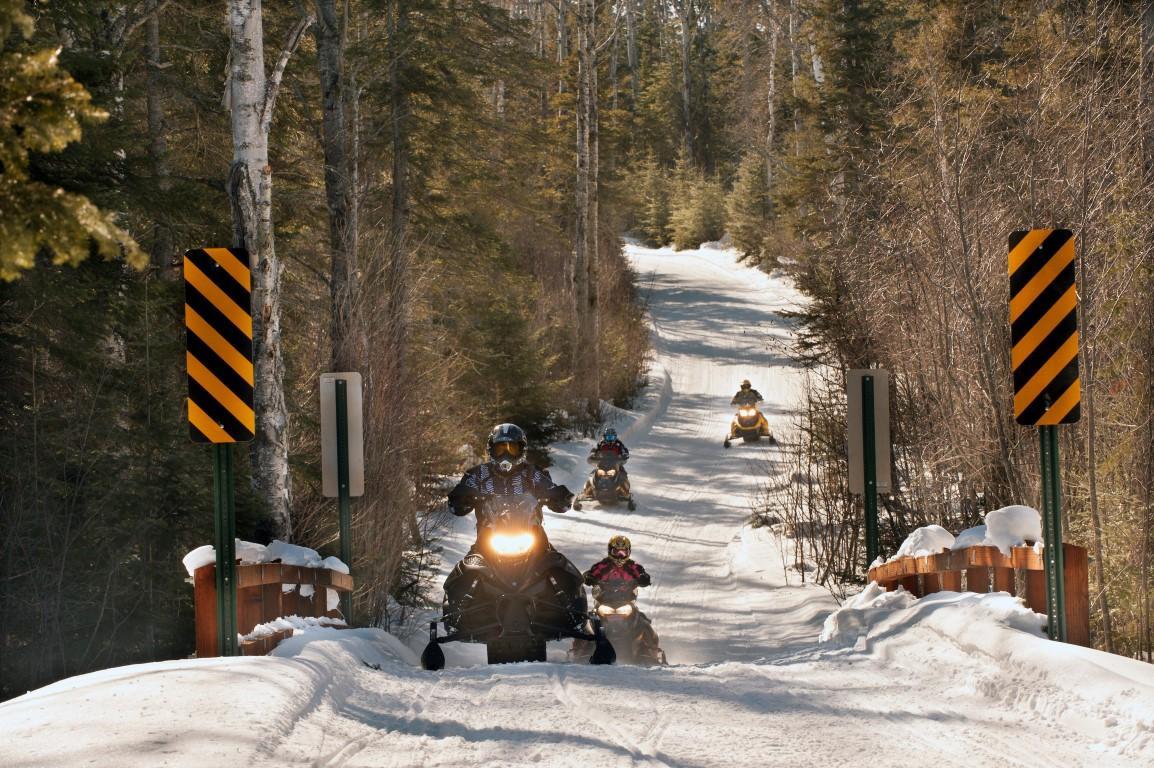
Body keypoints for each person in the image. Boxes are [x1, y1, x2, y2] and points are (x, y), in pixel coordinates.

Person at [442, 423, 580, 635]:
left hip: (531, 534)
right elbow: (458, 501)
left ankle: (577, 616)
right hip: (490, 536)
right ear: (491, 451)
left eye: (511, 448)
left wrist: (558, 496)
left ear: (521, 450)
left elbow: (552, 491)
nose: (506, 454)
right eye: (500, 449)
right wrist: (461, 496)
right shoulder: (477, 474)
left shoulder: (533, 474)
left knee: (560, 567)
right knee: (465, 571)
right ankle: (455, 619)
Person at [576, 535, 663, 663]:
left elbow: (642, 573)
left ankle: (650, 653)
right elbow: (590, 573)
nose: (620, 556)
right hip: (604, 601)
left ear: (629, 552)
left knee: (643, 623)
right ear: (610, 551)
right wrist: (588, 577)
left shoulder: (632, 566)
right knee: (586, 623)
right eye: (616, 552)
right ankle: (580, 651)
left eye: (624, 552)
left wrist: (643, 578)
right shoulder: (603, 565)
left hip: (626, 602)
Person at [578, 427, 632, 503]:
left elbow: (624, 450)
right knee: (592, 475)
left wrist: (624, 455)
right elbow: (595, 450)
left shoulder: (619, 444)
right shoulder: (601, 443)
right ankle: (587, 492)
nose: (610, 439)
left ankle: (625, 493)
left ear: (615, 437)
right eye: (608, 437)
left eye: (612, 437)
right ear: (605, 436)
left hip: (616, 463)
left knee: (623, 474)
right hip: (602, 463)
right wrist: (593, 454)